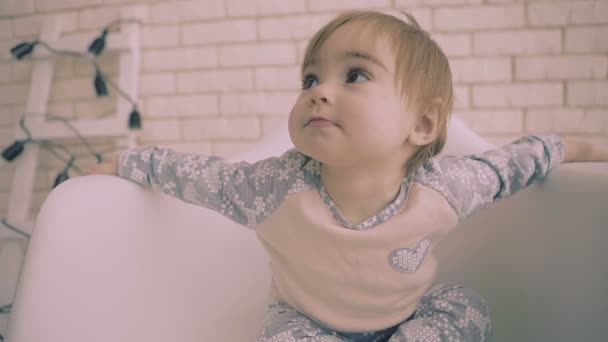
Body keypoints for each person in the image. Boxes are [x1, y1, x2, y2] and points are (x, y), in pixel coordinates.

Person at [87, 10, 608, 342]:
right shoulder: (273, 187)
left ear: (423, 123)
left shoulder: (446, 188)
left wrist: (585, 148)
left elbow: (519, 161)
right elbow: (196, 175)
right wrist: (126, 162)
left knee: (464, 307)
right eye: (311, 77)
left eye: (354, 75)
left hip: (408, 317)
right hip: (307, 324)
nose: (319, 90)